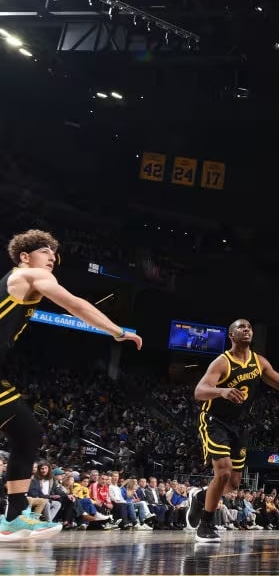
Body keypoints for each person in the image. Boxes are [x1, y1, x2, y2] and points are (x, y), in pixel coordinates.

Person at [0, 229, 142, 540]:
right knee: (27, 434)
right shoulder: (31, 275)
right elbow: (75, 305)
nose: (52, 257)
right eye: (44, 251)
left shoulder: (17, 281)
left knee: (28, 434)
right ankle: (13, 516)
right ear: (25, 257)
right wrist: (117, 331)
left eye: (54, 253)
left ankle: (13, 516)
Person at [189, 318, 279, 542]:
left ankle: (200, 497)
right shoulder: (222, 362)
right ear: (231, 335)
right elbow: (199, 391)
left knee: (232, 484)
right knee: (223, 471)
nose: (246, 330)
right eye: (241, 327)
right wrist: (221, 391)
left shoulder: (259, 362)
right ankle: (206, 525)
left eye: (249, 327)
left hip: (239, 425)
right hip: (215, 420)